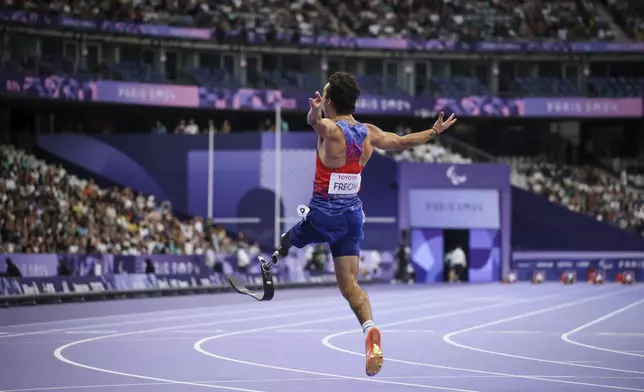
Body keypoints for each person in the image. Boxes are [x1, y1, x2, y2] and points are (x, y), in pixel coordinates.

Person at [266, 72, 457, 376]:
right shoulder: (369, 133)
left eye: (323, 95)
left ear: (328, 99)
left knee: (294, 234)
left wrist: (314, 112)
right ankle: (369, 330)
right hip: (352, 216)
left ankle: (276, 255)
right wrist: (434, 131)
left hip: (324, 213)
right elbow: (403, 141)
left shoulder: (331, 130)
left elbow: (316, 123)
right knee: (350, 286)